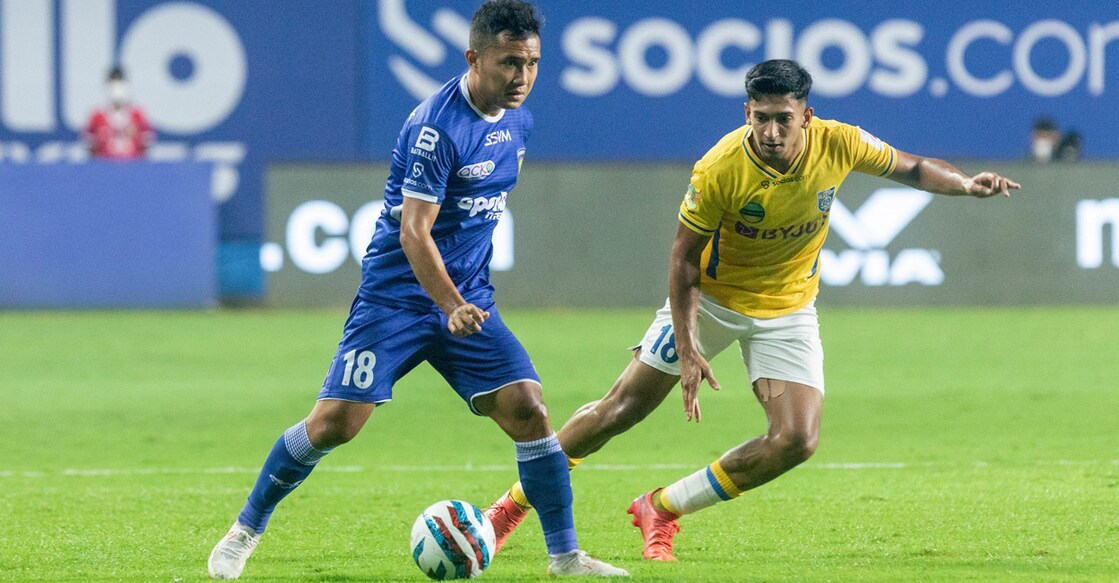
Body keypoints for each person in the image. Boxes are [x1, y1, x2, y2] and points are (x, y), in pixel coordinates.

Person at [484, 59, 1021, 562]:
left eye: (783, 119)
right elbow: (684, 261)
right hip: (711, 301)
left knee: (796, 441)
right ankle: (509, 508)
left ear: (805, 116)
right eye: (760, 118)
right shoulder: (720, 168)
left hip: (789, 307)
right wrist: (689, 344)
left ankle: (662, 507)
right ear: (747, 113)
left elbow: (915, 167)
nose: (771, 131)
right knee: (621, 409)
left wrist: (966, 185)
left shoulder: (841, 143)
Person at [207, 1, 628, 579]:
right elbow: (414, 231)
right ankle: (243, 530)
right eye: (509, 62)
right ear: (473, 57)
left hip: (468, 301)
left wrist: (465, 296)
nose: (522, 77)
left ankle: (565, 557)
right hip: (398, 300)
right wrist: (450, 303)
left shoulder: (519, 121)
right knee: (334, 425)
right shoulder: (436, 127)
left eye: (531, 63)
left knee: (530, 411)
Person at [83, 66, 153, 159]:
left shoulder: (138, 115)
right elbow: (89, 147)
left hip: (133, 166)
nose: (116, 88)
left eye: (120, 82)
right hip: (104, 167)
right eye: (112, 84)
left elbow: (146, 145)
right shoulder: (96, 116)